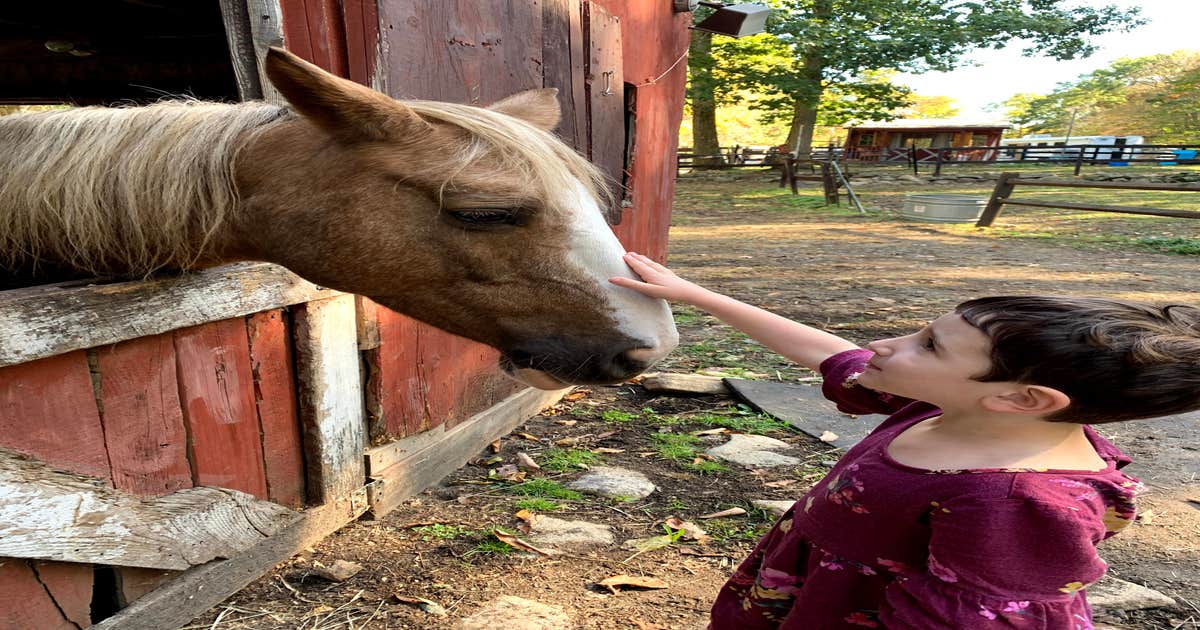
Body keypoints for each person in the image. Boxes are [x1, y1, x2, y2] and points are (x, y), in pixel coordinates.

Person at [610, 252, 1200, 629]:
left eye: (929, 346)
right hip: (807, 590)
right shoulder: (954, 407)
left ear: (1024, 398)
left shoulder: (1014, 503)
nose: (888, 346)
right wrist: (698, 296)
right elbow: (826, 351)